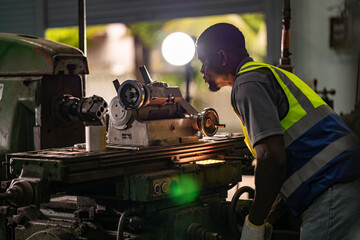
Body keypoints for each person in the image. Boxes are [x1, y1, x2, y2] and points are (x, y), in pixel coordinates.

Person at [195, 22, 360, 240]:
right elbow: (285, 169)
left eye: (204, 62)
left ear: (222, 58)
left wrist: (254, 223)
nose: (202, 71)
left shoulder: (247, 84)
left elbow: (271, 158)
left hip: (331, 188)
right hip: (345, 181)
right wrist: (266, 220)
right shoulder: (266, 74)